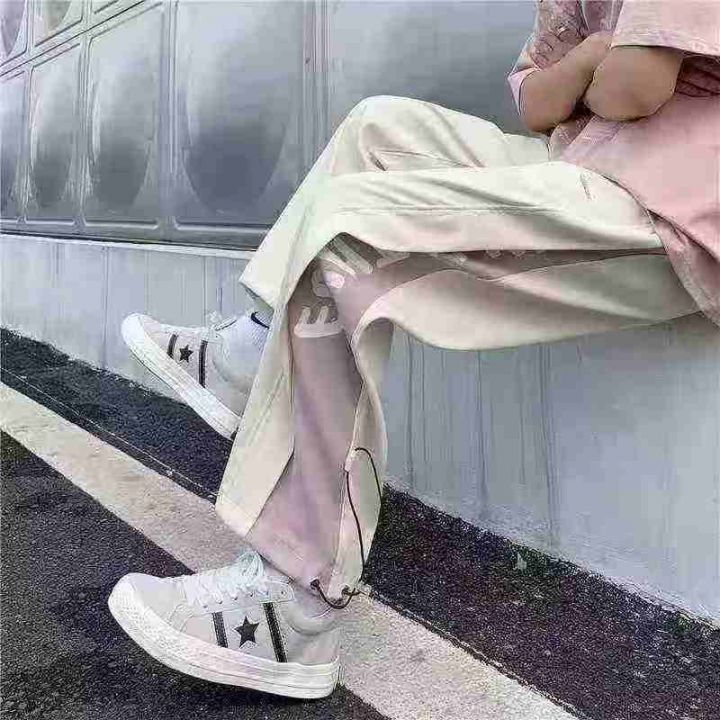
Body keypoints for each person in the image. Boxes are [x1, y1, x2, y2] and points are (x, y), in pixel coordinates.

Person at [108, 0, 719, 699]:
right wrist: (591, 58)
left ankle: (295, 598)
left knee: (349, 231)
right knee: (376, 128)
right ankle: (254, 354)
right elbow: (538, 104)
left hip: (669, 204)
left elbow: (636, 88)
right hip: (584, 158)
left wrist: (595, 73)